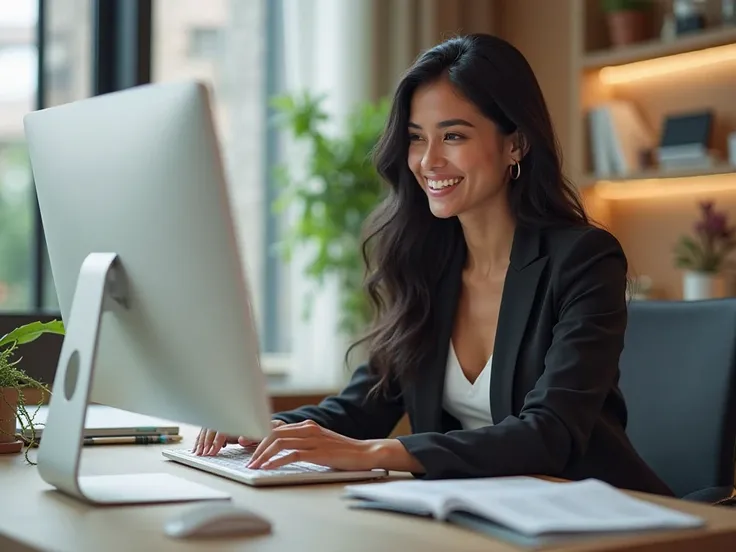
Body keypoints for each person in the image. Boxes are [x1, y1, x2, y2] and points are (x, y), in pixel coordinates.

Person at [194, 33, 673, 496]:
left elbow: (550, 434)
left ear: (516, 145)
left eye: (454, 136)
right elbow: (365, 405)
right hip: (480, 513)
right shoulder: (427, 263)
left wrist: (377, 453)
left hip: (594, 513)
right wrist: (265, 428)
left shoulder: (583, 260)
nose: (428, 161)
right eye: (416, 138)